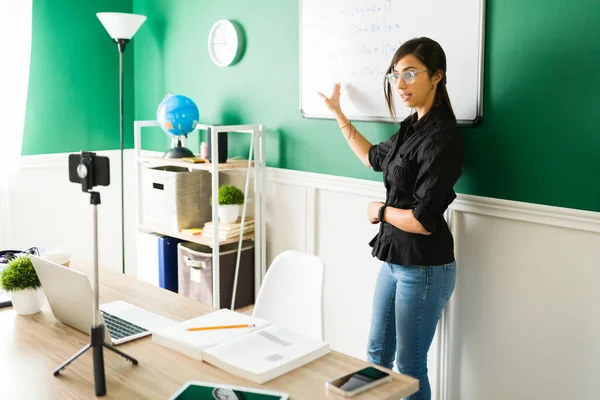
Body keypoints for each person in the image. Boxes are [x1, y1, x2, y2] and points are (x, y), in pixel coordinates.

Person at [318, 37, 463, 400]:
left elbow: (423, 220)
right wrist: (338, 113)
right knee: (376, 355)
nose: (400, 85)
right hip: (395, 260)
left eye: (410, 74)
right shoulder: (410, 128)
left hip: (426, 267)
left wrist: (380, 211)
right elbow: (371, 157)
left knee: (409, 366)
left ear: (437, 77)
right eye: (395, 75)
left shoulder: (442, 138)